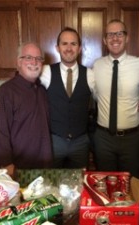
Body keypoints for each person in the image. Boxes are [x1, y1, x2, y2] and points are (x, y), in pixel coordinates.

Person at [92, 19, 139, 178]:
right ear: (105, 40)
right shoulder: (96, 66)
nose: (115, 38)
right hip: (103, 138)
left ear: (127, 38)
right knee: (106, 185)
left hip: (132, 139)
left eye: (119, 34)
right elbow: (94, 95)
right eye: (110, 35)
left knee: (132, 184)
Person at [0, 42, 53, 178]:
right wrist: (8, 167)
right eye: (28, 57)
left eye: (38, 58)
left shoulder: (41, 90)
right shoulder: (4, 94)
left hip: (43, 167)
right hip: (18, 171)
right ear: (18, 61)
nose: (34, 62)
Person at [41, 27, 95, 169]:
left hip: (80, 142)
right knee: (52, 182)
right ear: (57, 48)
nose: (69, 48)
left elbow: (104, 98)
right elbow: (24, 83)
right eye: (64, 44)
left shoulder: (90, 74)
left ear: (80, 48)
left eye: (73, 44)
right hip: (54, 141)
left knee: (79, 184)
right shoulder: (46, 71)